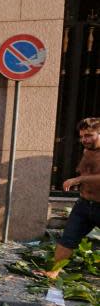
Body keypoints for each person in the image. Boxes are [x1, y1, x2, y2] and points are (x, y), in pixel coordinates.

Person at [36, 118, 100, 279]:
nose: (84, 139)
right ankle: (54, 272)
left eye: (89, 135)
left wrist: (78, 180)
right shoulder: (87, 151)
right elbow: (86, 171)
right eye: (82, 136)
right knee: (67, 239)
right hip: (84, 204)